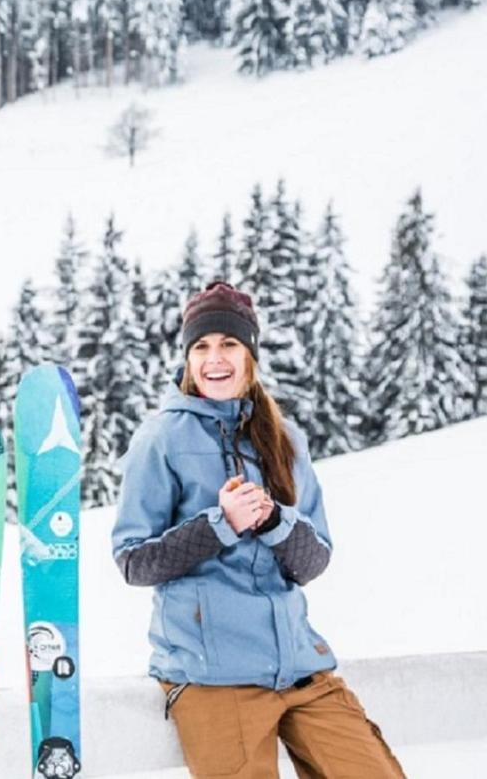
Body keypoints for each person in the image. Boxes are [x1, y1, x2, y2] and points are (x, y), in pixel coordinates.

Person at [111, 281, 403, 778]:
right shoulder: (161, 438)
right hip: (211, 676)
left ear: (250, 354)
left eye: (228, 343)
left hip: (299, 667)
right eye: (200, 347)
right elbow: (134, 561)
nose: (214, 358)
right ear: (187, 358)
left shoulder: (283, 439)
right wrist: (221, 524)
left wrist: (272, 519)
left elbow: (314, 560)